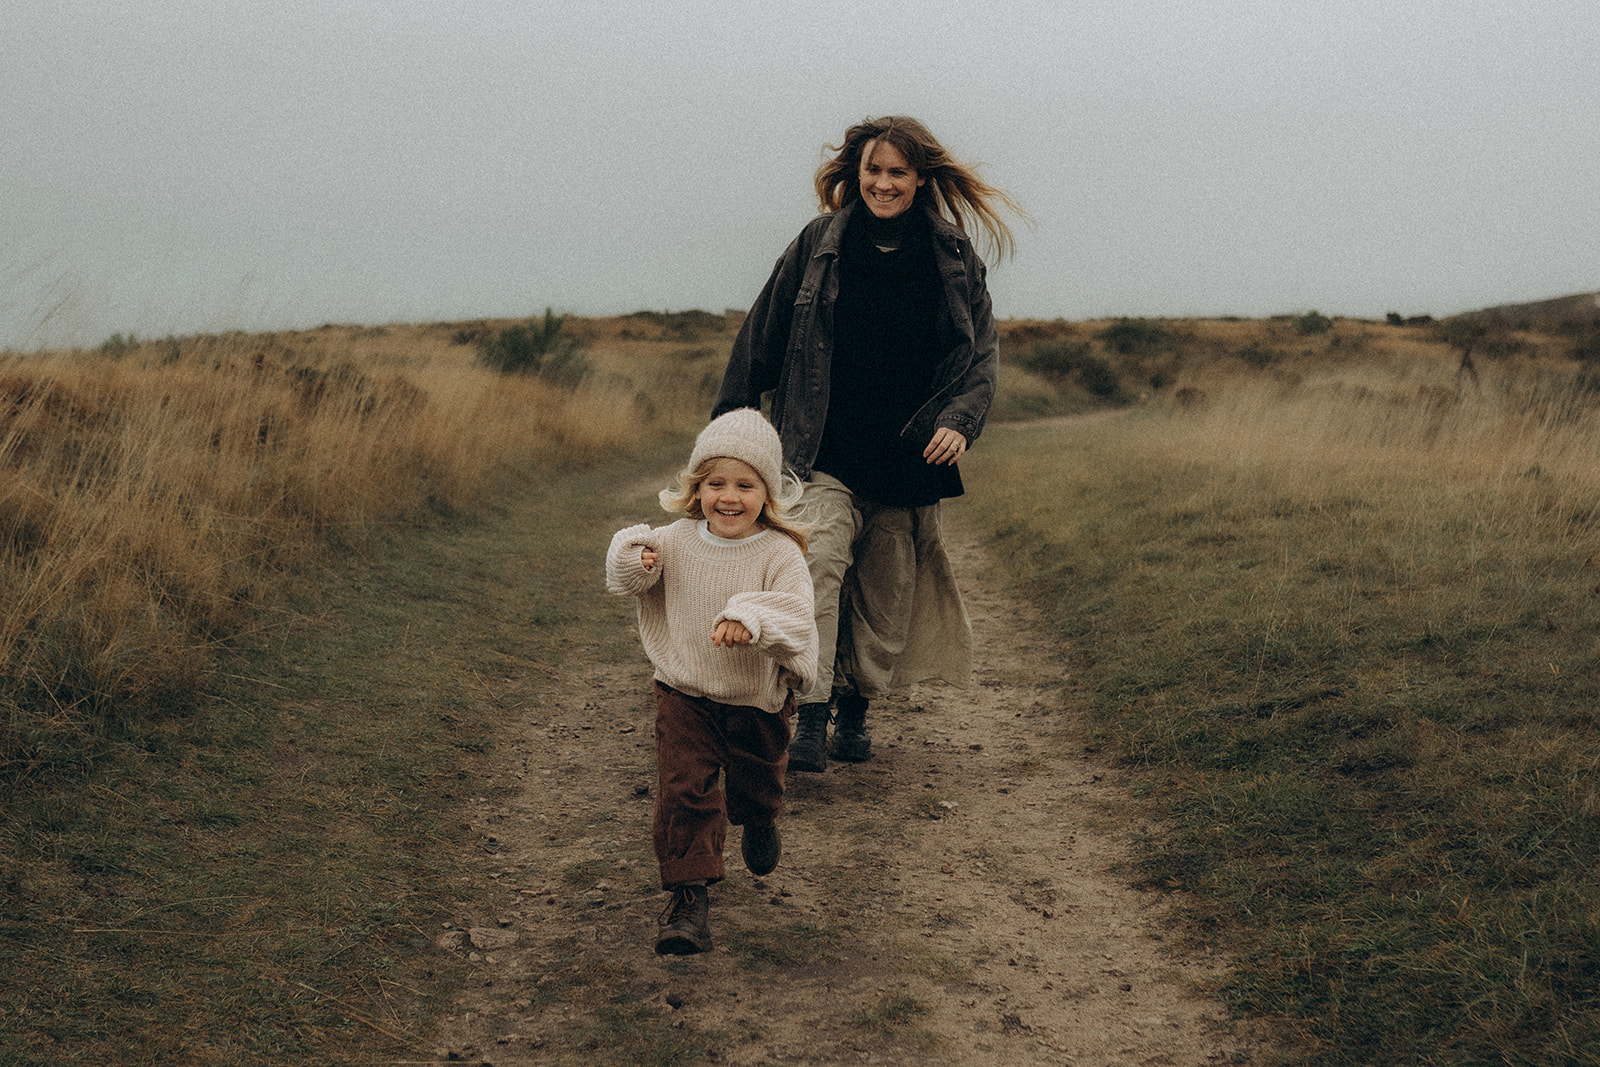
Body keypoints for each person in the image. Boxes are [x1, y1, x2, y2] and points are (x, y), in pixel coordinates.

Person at [714, 115, 1023, 773]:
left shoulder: (953, 254)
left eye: (897, 173)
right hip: (820, 447)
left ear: (921, 179)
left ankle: (855, 708)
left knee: (885, 596)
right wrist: (729, 432)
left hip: (908, 456)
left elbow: (981, 355)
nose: (883, 184)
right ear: (856, 173)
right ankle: (810, 714)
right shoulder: (818, 244)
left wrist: (960, 420)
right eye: (873, 170)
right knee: (817, 568)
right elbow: (762, 334)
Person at [605, 408, 818, 955]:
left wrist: (750, 616)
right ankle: (688, 900)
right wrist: (635, 558)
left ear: (767, 494)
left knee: (756, 785)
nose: (729, 497)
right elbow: (626, 574)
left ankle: (760, 818)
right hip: (685, 694)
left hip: (757, 702)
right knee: (684, 791)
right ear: (696, 487)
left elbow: (797, 616)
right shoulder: (675, 540)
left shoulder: (779, 552)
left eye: (745, 485)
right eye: (716, 483)